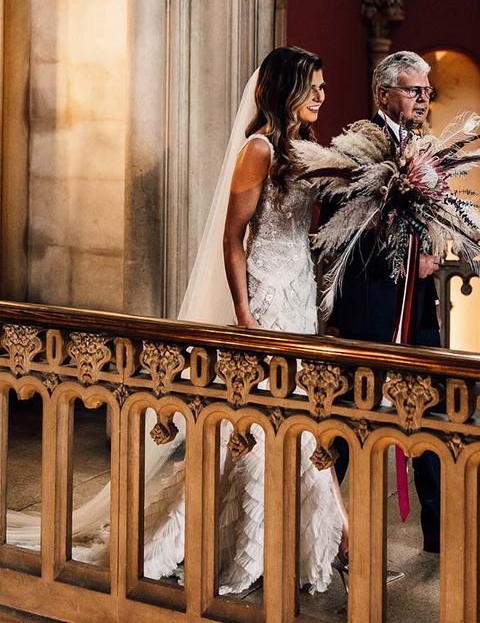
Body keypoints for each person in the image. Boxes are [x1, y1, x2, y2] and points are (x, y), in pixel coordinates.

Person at [7, 46, 349, 596]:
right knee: (258, 421)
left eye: (324, 87)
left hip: (300, 296)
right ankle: (239, 543)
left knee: (299, 411)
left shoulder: (305, 150)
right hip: (264, 297)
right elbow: (233, 238)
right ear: (285, 88)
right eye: (312, 86)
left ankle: (296, 541)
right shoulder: (258, 149)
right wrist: (243, 310)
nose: (320, 96)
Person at [326, 50, 480, 559]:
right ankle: (320, 531)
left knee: (433, 415)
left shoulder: (428, 148)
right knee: (347, 426)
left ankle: (444, 533)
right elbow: (338, 225)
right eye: (413, 90)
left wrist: (430, 248)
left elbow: (434, 216)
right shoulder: (357, 146)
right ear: (383, 93)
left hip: (420, 308)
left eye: (428, 91)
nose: (424, 99)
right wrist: (399, 251)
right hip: (370, 308)